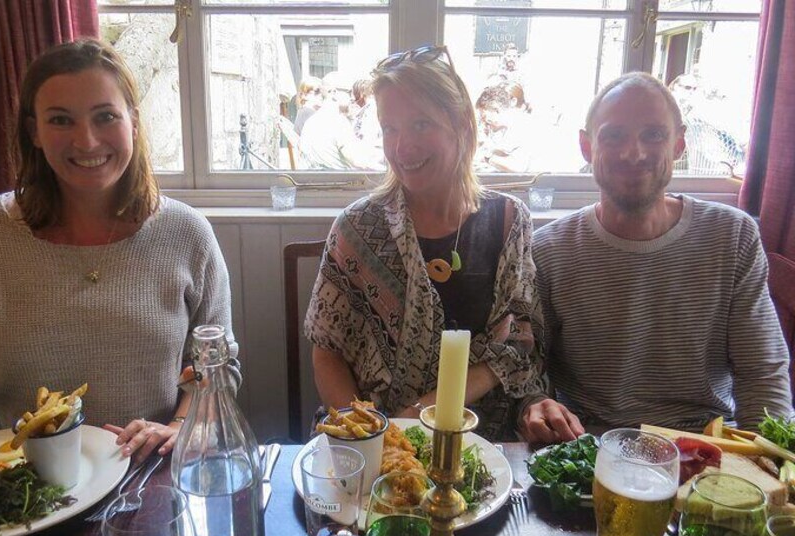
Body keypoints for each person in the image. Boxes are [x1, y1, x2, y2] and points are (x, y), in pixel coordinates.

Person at [0, 39, 237, 461]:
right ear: (35, 132)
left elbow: (218, 367)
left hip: (146, 469)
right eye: (61, 120)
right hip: (23, 480)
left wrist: (177, 427)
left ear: (133, 123)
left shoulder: (187, 232)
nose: (86, 141)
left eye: (105, 117)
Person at [521, 72, 792, 443]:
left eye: (653, 134)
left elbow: (762, 373)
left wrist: (769, 464)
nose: (634, 152)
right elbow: (529, 371)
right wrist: (535, 403)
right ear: (587, 147)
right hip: (590, 445)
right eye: (613, 136)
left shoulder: (732, 236)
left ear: (679, 144)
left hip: (705, 443)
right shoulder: (547, 249)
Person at [304, 46, 548, 441]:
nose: (402, 148)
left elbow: (518, 342)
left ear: (462, 125)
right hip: (372, 435)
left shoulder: (508, 222)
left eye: (420, 125)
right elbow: (326, 348)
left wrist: (422, 415)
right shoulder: (357, 227)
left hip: (481, 439)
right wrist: (366, 433)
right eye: (389, 128)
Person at [300, 71, 378, 170]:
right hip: (336, 183)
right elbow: (360, 161)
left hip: (313, 183)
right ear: (334, 93)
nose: (352, 98)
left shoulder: (310, 122)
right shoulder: (338, 122)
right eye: (349, 92)